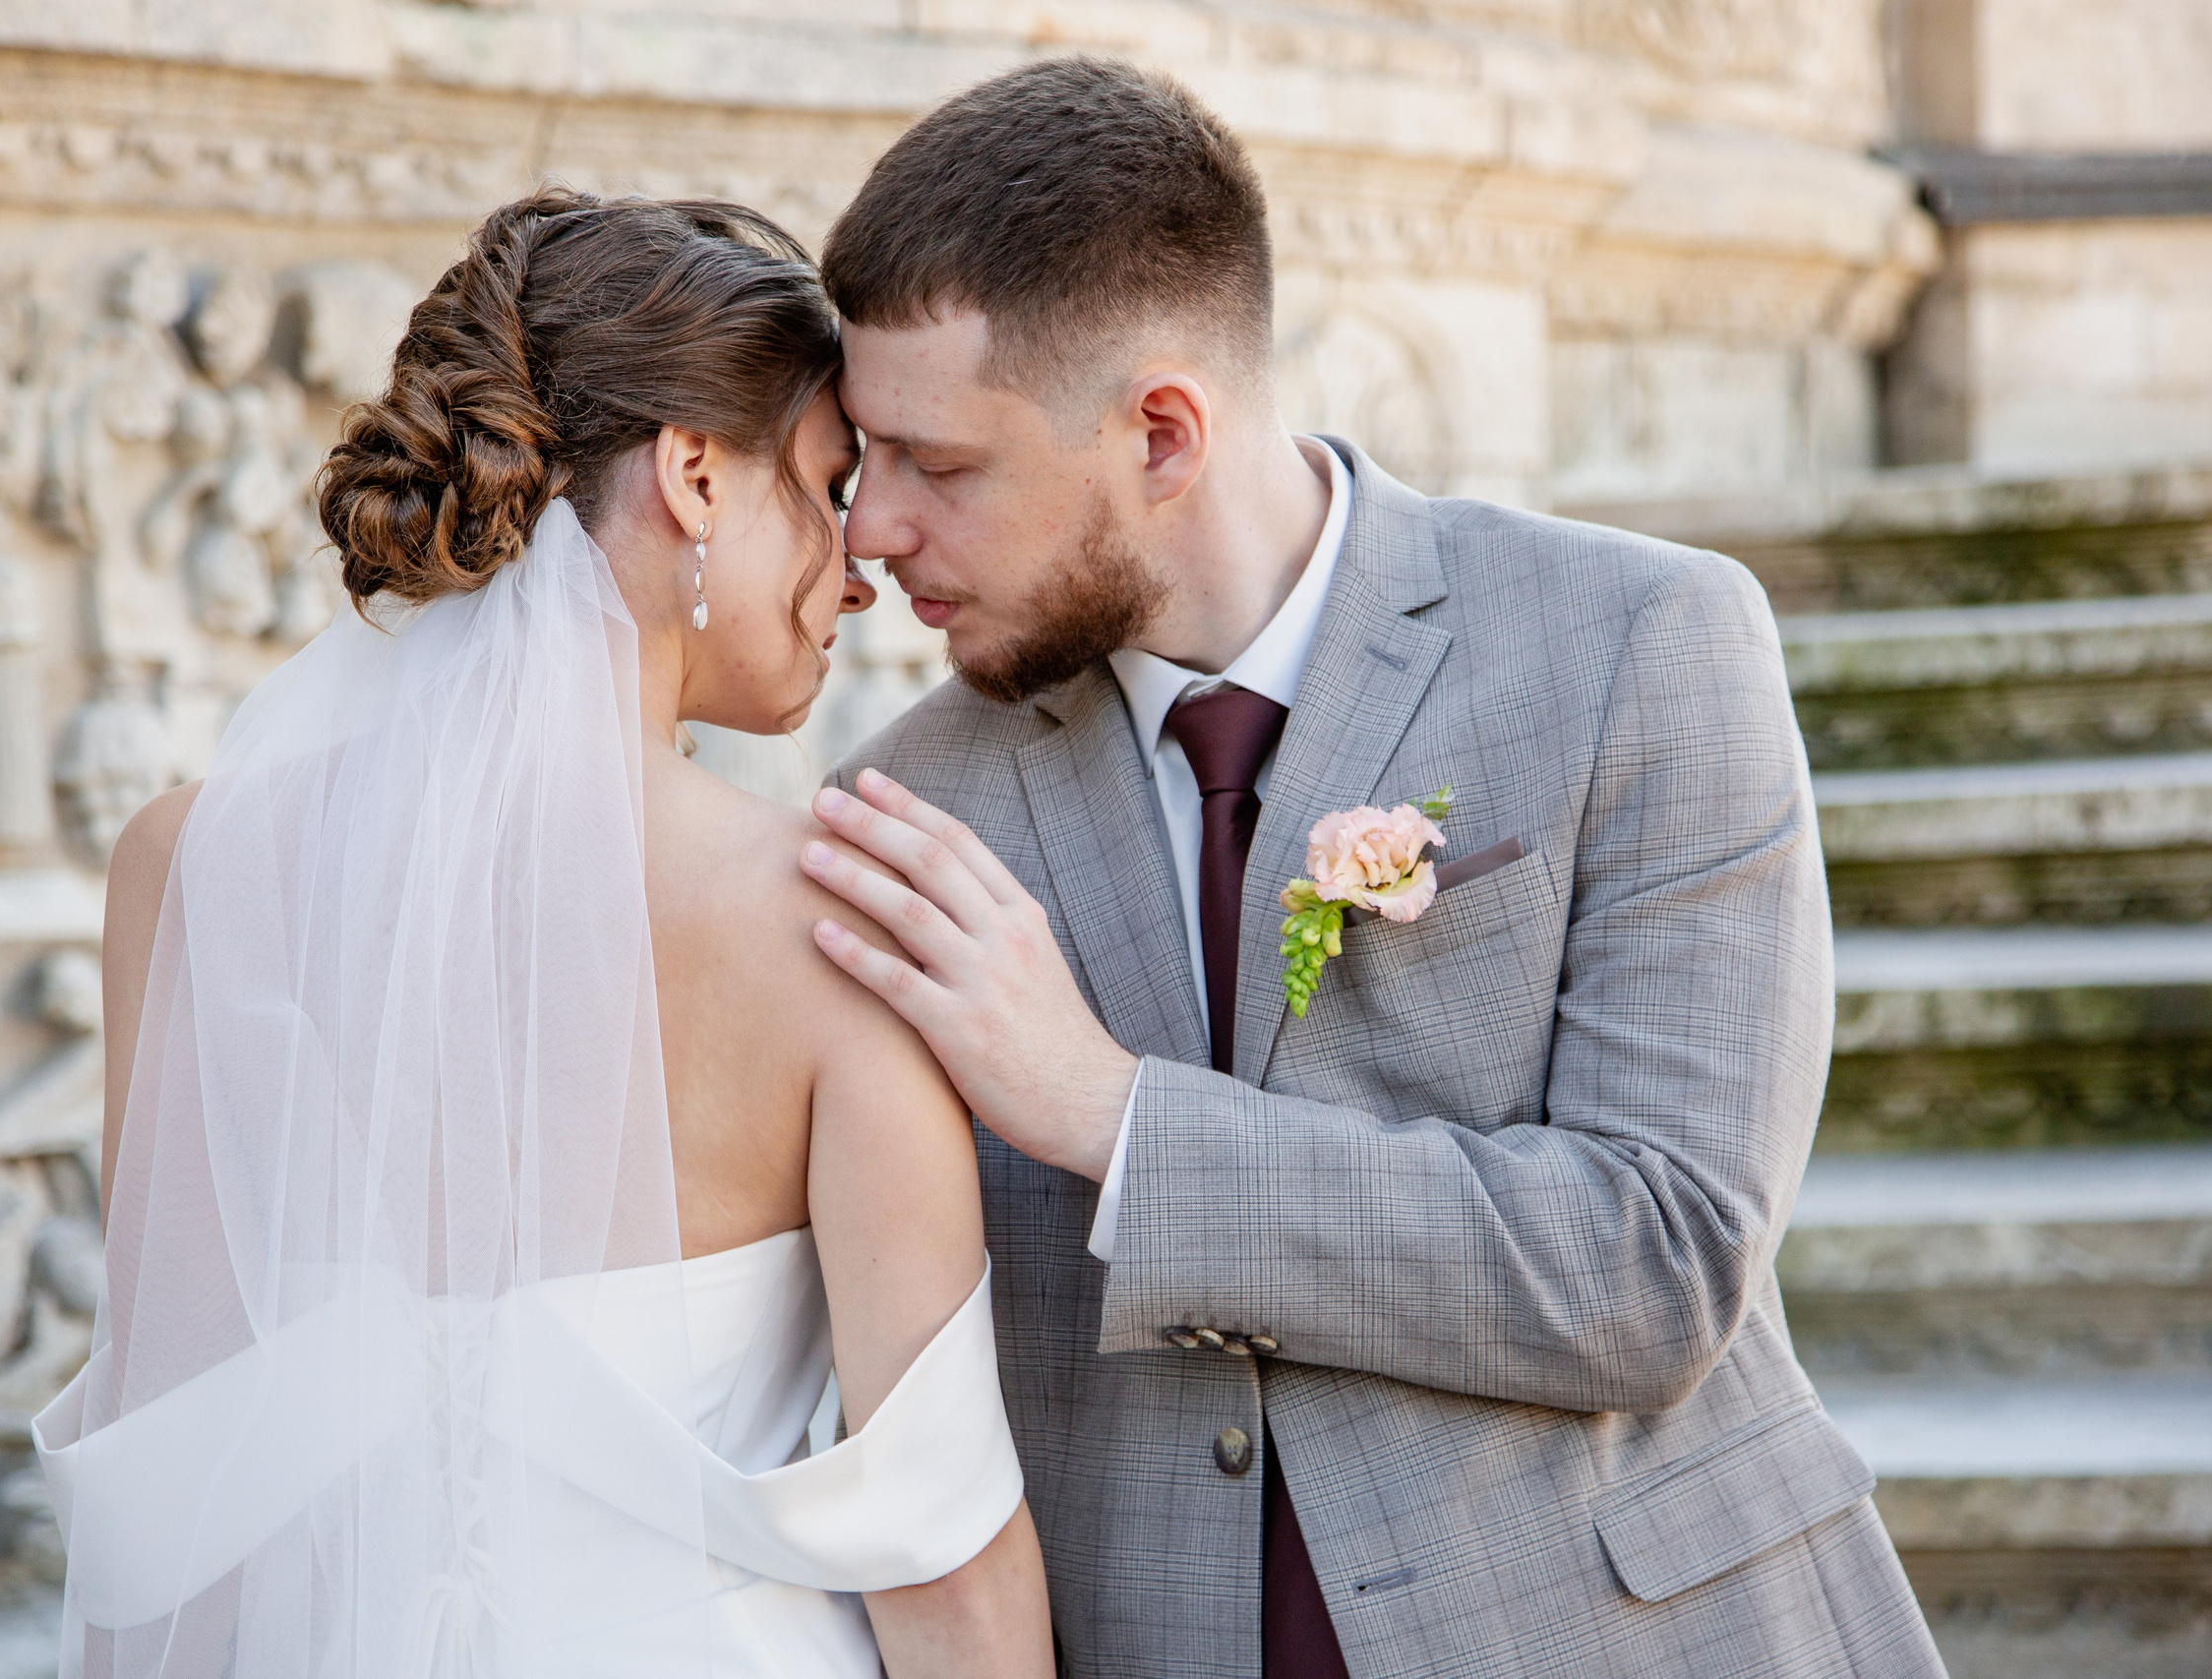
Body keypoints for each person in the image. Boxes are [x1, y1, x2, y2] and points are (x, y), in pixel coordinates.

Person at [797, 57, 1946, 1679]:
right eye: (864, 460)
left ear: (1165, 433)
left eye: (942, 466)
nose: (873, 533)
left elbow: (1658, 1260)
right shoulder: (903, 819)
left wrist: (1117, 1123)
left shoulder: (1642, 645)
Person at [33, 191, 1054, 1678]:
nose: (857, 572)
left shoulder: (189, 866)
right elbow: (944, 1566)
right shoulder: (842, 921)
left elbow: (173, 1470)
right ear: (695, 475)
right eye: (825, 490)